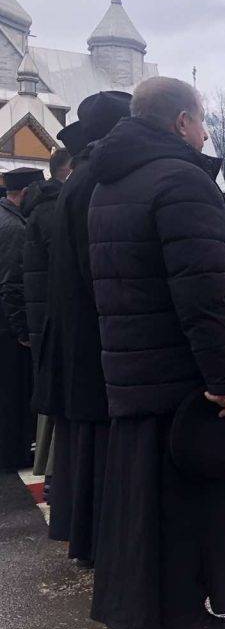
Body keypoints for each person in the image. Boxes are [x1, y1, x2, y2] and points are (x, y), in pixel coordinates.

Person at [87, 76, 225, 629]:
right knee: (186, 502)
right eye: (202, 119)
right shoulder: (181, 181)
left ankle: (135, 617)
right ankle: (181, 621)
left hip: (135, 370)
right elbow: (207, 293)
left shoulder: (109, 185)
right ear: (182, 121)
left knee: (139, 502)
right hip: (181, 377)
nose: (206, 131)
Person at [38, 92, 131, 556]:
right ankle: (97, 539)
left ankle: (85, 536)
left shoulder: (80, 177)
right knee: (98, 442)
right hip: (96, 334)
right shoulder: (99, 180)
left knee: (84, 442)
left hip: (77, 332)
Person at [24, 149, 72, 489]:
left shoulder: (40, 209)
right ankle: (58, 478)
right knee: (63, 407)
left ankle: (55, 474)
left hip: (46, 321)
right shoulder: (56, 209)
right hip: (59, 321)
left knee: (54, 404)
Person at [0, 166, 44, 472]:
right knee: (13, 394)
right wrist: (23, 330)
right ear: (26, 193)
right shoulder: (16, 229)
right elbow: (12, 284)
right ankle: (12, 453)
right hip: (7, 329)